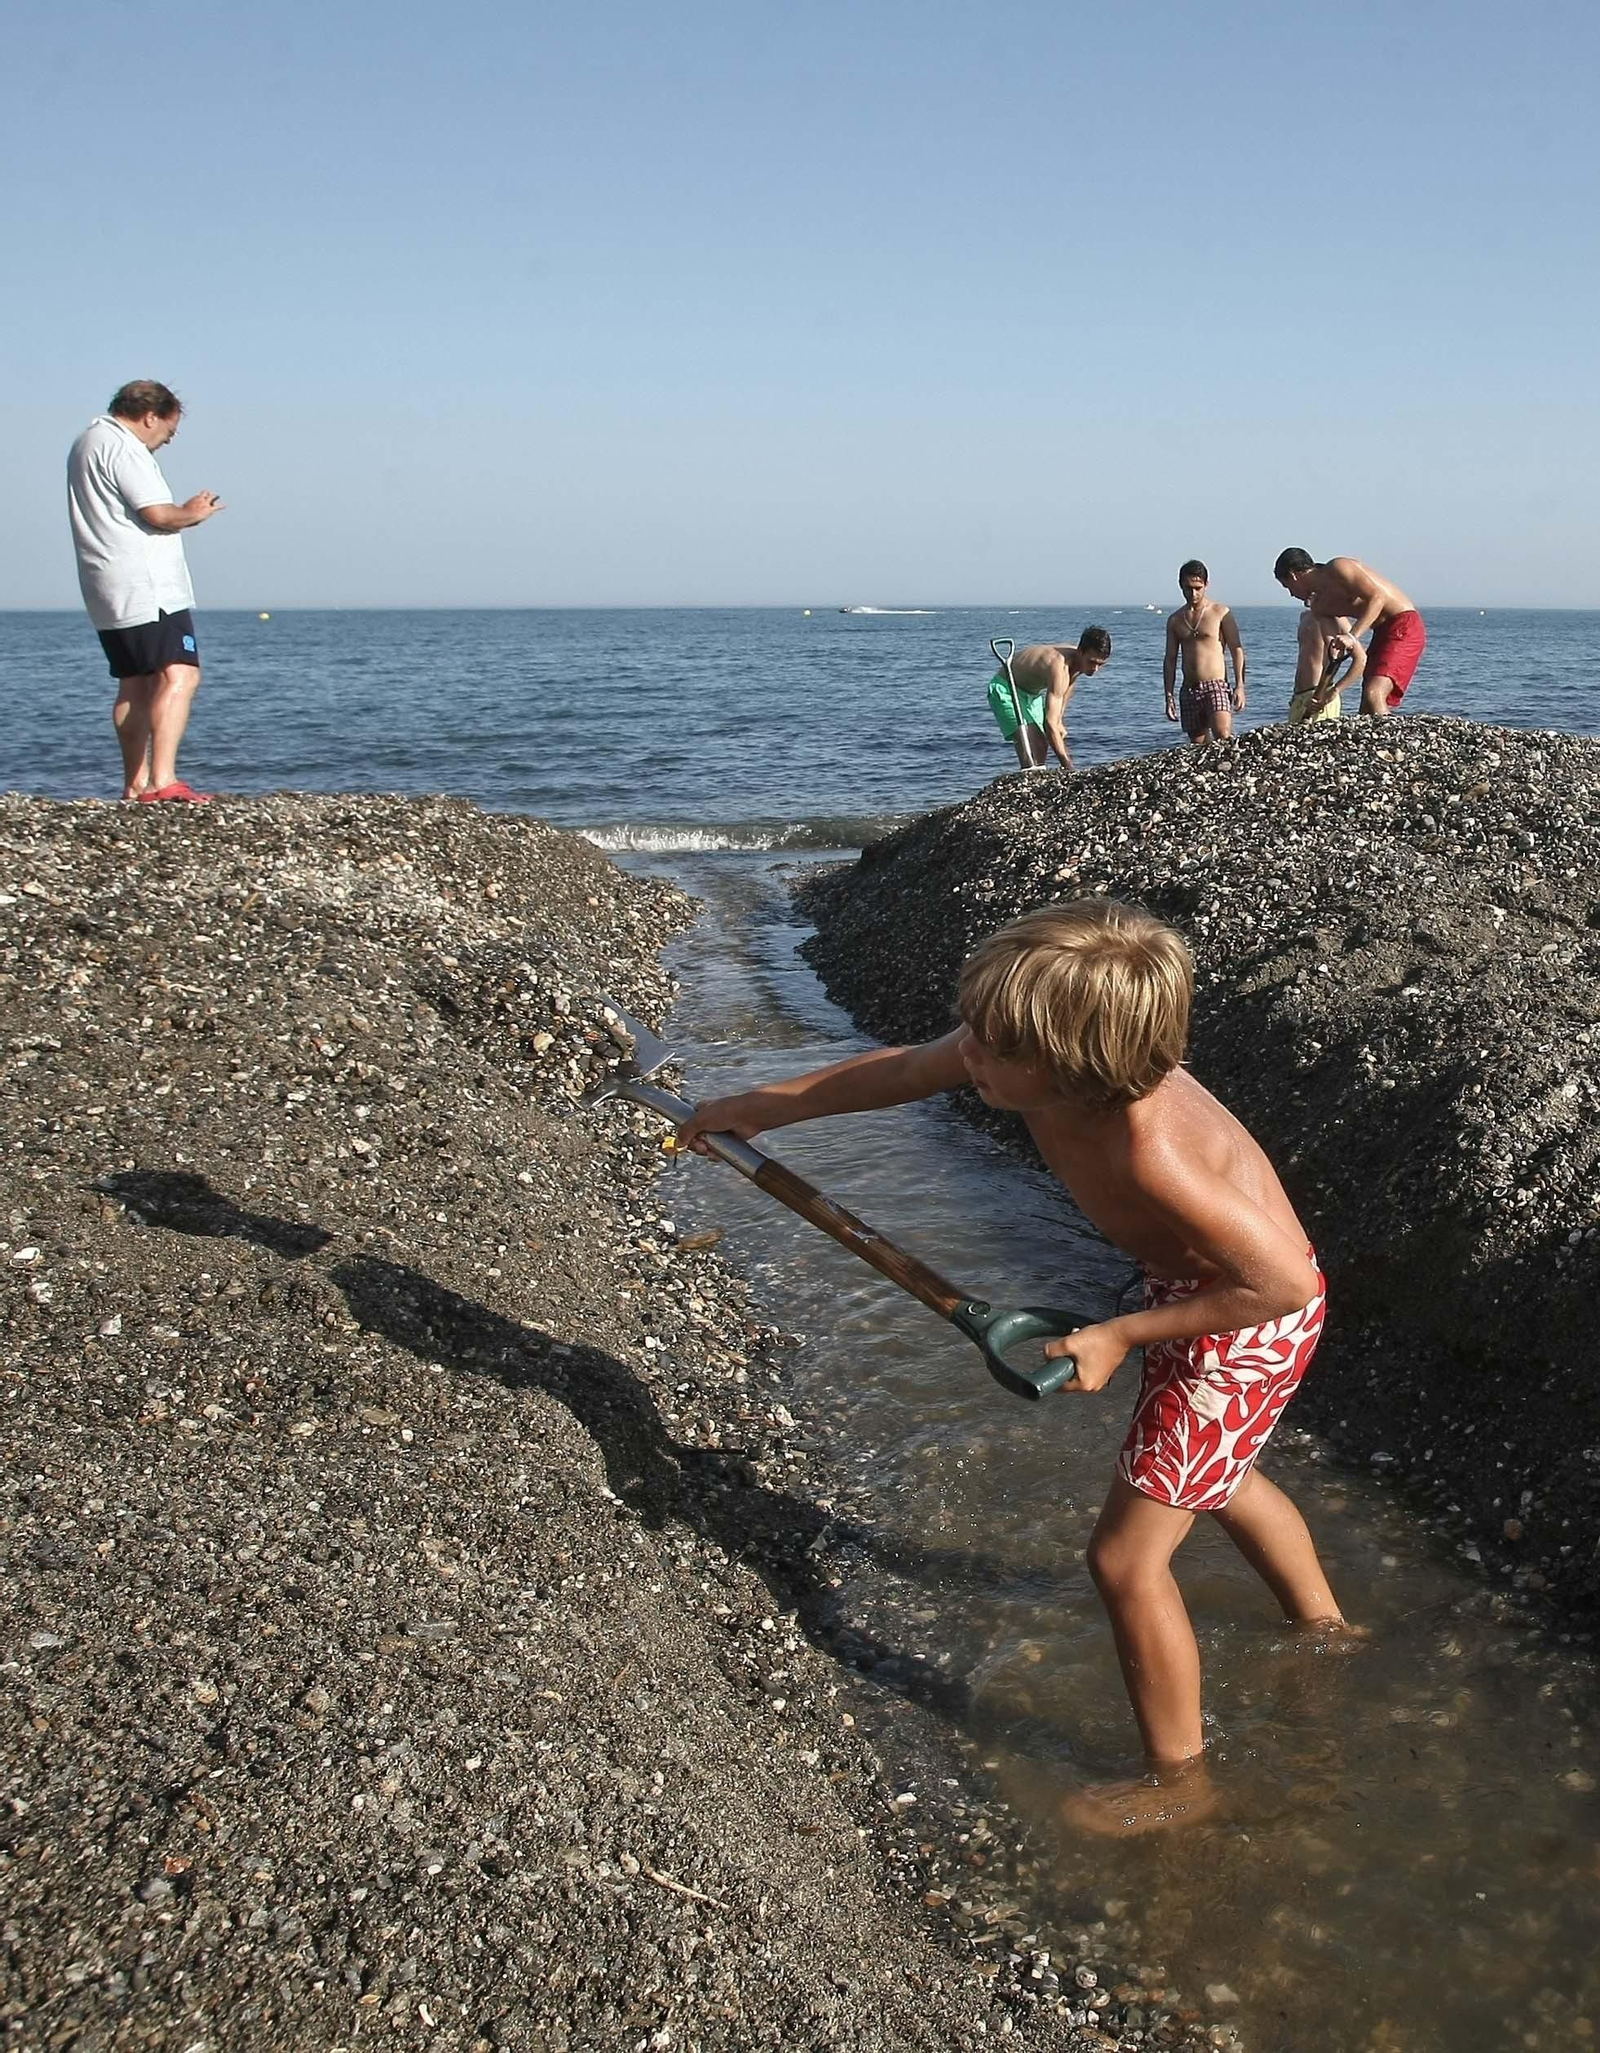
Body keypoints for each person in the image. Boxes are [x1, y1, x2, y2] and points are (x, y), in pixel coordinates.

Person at [676, 899, 1350, 1835]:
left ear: (1077, 1066)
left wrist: (1124, 1332)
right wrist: (758, 1109)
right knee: (1216, 1476)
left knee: (1123, 1558)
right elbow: (901, 1070)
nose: (969, 1056)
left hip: (1241, 1320)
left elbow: (1277, 1286)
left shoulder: (1155, 1153)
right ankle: (1325, 1628)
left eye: (992, 1048)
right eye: (976, 1032)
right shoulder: (1021, 1050)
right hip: (1202, 1290)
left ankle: (1180, 1779)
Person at [67, 380, 226, 802]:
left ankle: (136, 783)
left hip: (106, 581)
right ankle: (162, 780)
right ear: (150, 416)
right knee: (181, 674)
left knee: (134, 682)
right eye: (167, 433)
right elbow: (156, 512)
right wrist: (193, 513)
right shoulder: (124, 447)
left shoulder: (87, 441)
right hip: (146, 583)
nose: (164, 442)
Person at [1272, 549, 1425, 718]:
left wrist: (1352, 636)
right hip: (1381, 633)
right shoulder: (1319, 606)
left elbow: (1378, 598)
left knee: (1374, 693)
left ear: (1294, 575)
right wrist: (1328, 692)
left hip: (1404, 624)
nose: (1292, 594)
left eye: (1288, 587)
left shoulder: (1338, 568)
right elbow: (1333, 655)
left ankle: (1395, 742)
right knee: (1366, 709)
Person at [986, 629, 1112, 771]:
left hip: (1032, 695)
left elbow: (1068, 684)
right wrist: (1068, 766)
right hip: (1007, 689)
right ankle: (1029, 777)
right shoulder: (1058, 665)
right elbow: (1049, 723)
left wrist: (1059, 721)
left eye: (1100, 664)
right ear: (1080, 651)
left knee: (1042, 747)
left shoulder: (1078, 661)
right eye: (1092, 662)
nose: (1095, 669)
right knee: (1035, 742)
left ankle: (1036, 777)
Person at [1162, 561, 1245, 745]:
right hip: (1189, 688)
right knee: (1198, 744)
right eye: (1188, 588)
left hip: (1215, 685)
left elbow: (1236, 650)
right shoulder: (1175, 620)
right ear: (1181, 586)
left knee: (1223, 735)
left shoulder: (1220, 612)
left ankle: (1228, 771)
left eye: (1198, 588)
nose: (1193, 593)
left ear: (1206, 585)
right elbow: (1170, 659)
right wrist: (1169, 695)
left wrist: (1240, 685)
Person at [1286, 600, 1360, 726]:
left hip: (1320, 696)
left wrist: (1334, 692)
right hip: (1299, 698)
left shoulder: (1336, 618)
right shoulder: (1304, 616)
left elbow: (1360, 660)